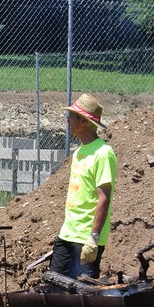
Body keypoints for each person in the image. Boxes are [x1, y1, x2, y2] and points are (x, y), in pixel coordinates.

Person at [49, 93, 116, 279]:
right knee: (54, 284)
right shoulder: (79, 152)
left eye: (71, 116)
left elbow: (104, 198)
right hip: (67, 233)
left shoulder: (103, 153)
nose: (67, 120)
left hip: (86, 237)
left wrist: (93, 238)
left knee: (83, 290)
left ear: (84, 121)